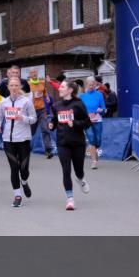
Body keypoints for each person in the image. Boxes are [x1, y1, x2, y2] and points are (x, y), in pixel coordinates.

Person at [49, 80, 92, 210]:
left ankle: (80, 179)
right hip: (62, 142)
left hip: (78, 142)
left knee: (79, 170)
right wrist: (52, 125)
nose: (59, 89)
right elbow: (55, 120)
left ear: (70, 90)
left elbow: (87, 122)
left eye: (62, 87)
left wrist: (76, 124)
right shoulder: (56, 105)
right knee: (66, 170)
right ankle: (70, 199)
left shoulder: (78, 104)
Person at [0, 76, 36, 207]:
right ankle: (17, 195)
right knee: (14, 168)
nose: (14, 88)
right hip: (8, 139)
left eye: (16, 85)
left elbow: (34, 119)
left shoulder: (26, 102)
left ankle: (24, 181)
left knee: (24, 169)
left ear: (20, 87)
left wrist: (23, 118)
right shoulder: (3, 103)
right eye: (11, 86)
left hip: (23, 139)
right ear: (8, 87)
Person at [80, 77, 106, 170]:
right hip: (87, 122)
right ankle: (94, 161)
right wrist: (86, 115)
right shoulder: (82, 96)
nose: (91, 86)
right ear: (86, 85)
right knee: (91, 139)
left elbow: (104, 108)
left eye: (93, 84)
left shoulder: (99, 95)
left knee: (98, 140)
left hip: (98, 120)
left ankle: (94, 151)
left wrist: (101, 110)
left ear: (95, 85)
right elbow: (80, 110)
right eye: (89, 84)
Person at [27, 68, 54, 159]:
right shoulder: (28, 84)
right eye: (32, 72)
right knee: (31, 131)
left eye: (35, 72)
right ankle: (25, 148)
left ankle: (48, 150)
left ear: (37, 73)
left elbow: (44, 92)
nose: (34, 73)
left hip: (42, 109)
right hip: (32, 111)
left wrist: (47, 97)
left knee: (45, 129)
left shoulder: (42, 82)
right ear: (30, 74)